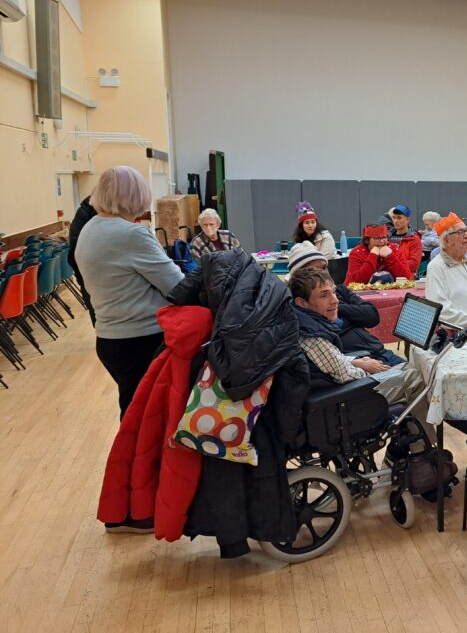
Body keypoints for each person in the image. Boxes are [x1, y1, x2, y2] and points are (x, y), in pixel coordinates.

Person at [166, 249, 310, 558]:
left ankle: (232, 541)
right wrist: (290, 432)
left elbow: (175, 293)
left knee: (221, 476)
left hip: (215, 412)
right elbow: (295, 371)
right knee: (258, 475)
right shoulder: (270, 296)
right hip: (260, 414)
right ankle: (268, 532)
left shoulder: (208, 303)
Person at [75, 166, 185, 418]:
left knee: (134, 411)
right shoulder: (131, 234)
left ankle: (133, 458)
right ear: (136, 197)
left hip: (110, 337)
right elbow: (177, 286)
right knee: (146, 417)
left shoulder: (90, 228)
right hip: (140, 339)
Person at [288, 243, 404, 366]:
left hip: (380, 352)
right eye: (314, 270)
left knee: (421, 372)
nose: (323, 273)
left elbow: (372, 317)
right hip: (364, 362)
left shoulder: (339, 291)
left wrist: (335, 307)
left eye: (324, 267)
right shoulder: (302, 311)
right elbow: (328, 360)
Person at [345, 223, 411, 284]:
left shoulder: (394, 250)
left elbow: (406, 278)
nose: (381, 241)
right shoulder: (357, 253)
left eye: (384, 237)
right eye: (377, 238)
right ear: (367, 240)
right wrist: (373, 256)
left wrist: (390, 256)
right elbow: (357, 281)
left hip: (389, 292)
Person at [67, 194, 98, 324]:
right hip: (89, 274)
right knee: (98, 318)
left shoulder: (86, 212)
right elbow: (75, 247)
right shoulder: (86, 214)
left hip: (87, 274)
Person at [388, 204, 423, 275]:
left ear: (407, 219)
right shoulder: (387, 237)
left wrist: (392, 265)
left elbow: (414, 264)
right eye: (394, 218)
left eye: (399, 218)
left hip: (406, 279)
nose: (395, 221)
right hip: (387, 278)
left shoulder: (414, 239)